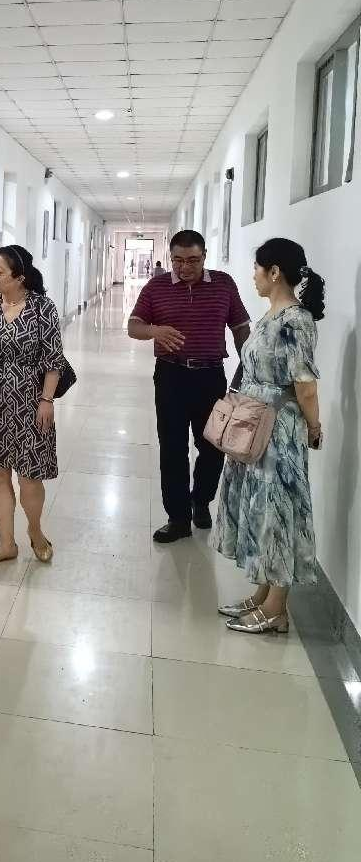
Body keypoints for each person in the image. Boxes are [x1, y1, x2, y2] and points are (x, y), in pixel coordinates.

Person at [212, 239, 325, 634]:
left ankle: (277, 608)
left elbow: (305, 385)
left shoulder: (296, 320)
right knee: (259, 508)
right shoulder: (272, 315)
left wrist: (314, 427)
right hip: (256, 425)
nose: (253, 276)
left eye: (257, 269)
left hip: (279, 430)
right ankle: (263, 592)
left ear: (275, 272)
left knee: (278, 512)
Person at [128, 229, 251, 544]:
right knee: (172, 448)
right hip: (171, 376)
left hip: (210, 377)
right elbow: (133, 326)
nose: (185, 267)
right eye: (178, 260)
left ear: (204, 256)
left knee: (212, 445)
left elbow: (240, 328)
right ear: (170, 258)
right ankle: (178, 518)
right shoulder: (156, 287)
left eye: (193, 260)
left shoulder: (223, 284)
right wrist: (155, 331)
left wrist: (250, 368)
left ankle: (201, 500)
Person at [0, 245, 65, 565]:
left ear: (19, 277)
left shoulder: (42, 308)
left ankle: (35, 530)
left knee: (29, 476)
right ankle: (7, 544)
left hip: (30, 400)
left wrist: (46, 400)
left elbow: (53, 360)